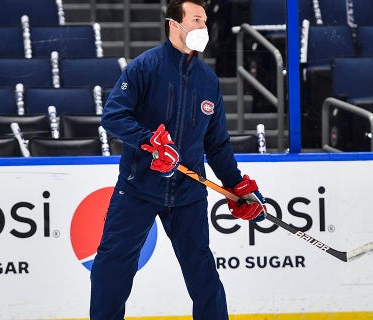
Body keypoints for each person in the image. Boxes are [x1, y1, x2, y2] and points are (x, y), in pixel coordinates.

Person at [90, 0, 267, 318]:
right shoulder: (144, 67)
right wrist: (151, 143)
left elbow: (217, 144)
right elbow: (114, 116)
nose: (203, 27)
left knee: (203, 273)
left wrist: (237, 184)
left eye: (205, 21)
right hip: (138, 188)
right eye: (196, 19)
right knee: (111, 268)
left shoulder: (208, 81)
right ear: (175, 24)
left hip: (188, 193)